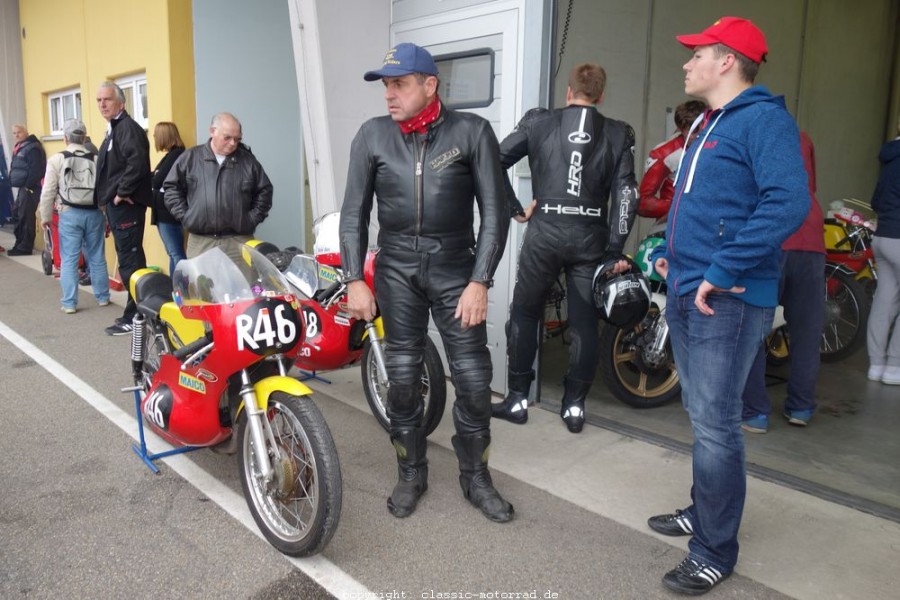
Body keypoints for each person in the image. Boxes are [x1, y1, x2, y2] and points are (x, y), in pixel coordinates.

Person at [645, 17, 809, 595]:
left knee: (717, 426)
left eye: (696, 54)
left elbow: (788, 201)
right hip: (692, 290)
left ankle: (713, 549)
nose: (687, 63)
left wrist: (722, 268)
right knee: (703, 416)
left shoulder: (763, 121)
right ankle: (704, 511)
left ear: (727, 61)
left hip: (729, 300)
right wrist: (667, 251)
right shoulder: (708, 125)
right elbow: (692, 205)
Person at [339, 42, 512, 522]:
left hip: (457, 268)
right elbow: (354, 214)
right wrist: (354, 277)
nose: (389, 95)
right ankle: (411, 471)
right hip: (395, 270)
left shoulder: (472, 131)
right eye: (386, 86)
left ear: (429, 85)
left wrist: (481, 280)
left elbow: (494, 213)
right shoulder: (372, 136)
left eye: (399, 84)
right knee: (401, 380)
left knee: (475, 381)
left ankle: (475, 476)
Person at [491, 63, 639, 433]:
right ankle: (574, 407)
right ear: (601, 95)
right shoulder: (618, 133)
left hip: (545, 232)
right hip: (590, 237)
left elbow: (492, 159)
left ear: (569, 92)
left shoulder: (538, 122)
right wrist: (615, 249)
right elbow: (627, 194)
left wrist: (514, 208)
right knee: (584, 323)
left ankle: (518, 400)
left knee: (525, 314)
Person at [741, 131, 825, 431]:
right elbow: (809, 186)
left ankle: (754, 412)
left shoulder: (749, 135)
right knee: (806, 331)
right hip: (811, 235)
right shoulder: (803, 137)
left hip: (771, 235)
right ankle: (801, 407)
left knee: (751, 328)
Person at [163, 113, 273, 262]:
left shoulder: (248, 162)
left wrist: (251, 219)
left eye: (237, 139)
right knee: (202, 285)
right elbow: (171, 188)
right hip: (201, 241)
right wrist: (186, 216)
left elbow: (265, 191)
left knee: (243, 285)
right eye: (227, 137)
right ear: (212, 131)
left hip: (239, 241)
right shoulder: (190, 158)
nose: (233, 143)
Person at [38, 119, 110, 313]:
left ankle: (69, 303)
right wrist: (106, 214)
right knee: (97, 256)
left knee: (69, 258)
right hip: (94, 212)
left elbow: (48, 191)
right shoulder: (97, 159)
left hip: (69, 213)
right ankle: (103, 297)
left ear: (66, 138)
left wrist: (44, 216)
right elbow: (104, 189)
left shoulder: (57, 159)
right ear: (84, 137)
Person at [867, 114, 900, 385]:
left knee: (884, 299)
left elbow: (876, 200)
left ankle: (876, 365)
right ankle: (894, 367)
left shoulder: (890, 158)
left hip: (883, 236)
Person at [637, 100, 707, 225]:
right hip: (675, 224)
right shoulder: (664, 154)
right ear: (681, 128)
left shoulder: (714, 145)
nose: (697, 136)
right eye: (692, 131)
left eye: (702, 129)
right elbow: (643, 203)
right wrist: (682, 208)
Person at [150, 122, 187, 274]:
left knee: (176, 253)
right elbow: (154, 176)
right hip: (165, 212)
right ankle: (176, 289)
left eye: (156, 135)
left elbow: (157, 180)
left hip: (168, 213)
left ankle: (181, 290)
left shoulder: (176, 155)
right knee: (174, 253)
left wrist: (156, 175)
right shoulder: (171, 155)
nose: (154, 138)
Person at [7, 124, 47, 256]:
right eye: (14, 133)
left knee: (26, 217)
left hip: (30, 188)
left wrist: (28, 186)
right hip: (23, 188)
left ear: (26, 132)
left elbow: (37, 169)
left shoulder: (33, 148)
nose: (16, 135)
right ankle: (19, 244)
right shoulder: (21, 147)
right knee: (17, 214)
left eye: (19, 132)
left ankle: (25, 247)